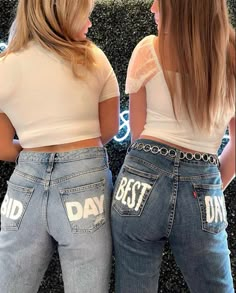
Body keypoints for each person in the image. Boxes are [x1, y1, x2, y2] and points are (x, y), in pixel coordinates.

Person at [111, 0, 235, 292]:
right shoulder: (231, 58)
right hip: (203, 187)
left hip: (140, 181)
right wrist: (208, 186)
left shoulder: (147, 49)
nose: (152, 7)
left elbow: (138, 137)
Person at [0, 0, 120, 292]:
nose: (90, 24)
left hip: (24, 185)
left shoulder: (7, 64)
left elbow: (3, 148)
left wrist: (33, 155)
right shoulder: (93, 58)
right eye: (85, 16)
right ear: (64, 14)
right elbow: (109, 129)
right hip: (85, 183)